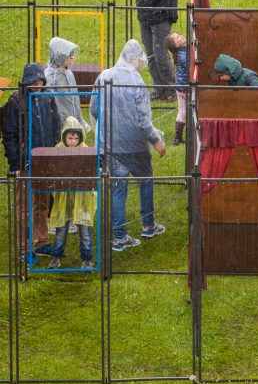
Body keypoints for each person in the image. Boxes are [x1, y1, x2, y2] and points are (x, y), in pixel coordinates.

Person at [90, 40, 166, 252]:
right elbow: (143, 120)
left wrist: (106, 128)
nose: (142, 63)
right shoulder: (137, 81)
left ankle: (120, 236)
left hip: (111, 144)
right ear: (133, 59)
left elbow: (94, 109)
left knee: (117, 189)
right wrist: (156, 141)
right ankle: (149, 225)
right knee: (146, 181)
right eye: (141, 59)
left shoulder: (104, 76)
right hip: (136, 146)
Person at [2, 62, 59, 264]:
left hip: (45, 161)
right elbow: (9, 136)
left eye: (40, 79)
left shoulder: (47, 98)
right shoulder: (15, 102)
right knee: (23, 207)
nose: (37, 83)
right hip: (25, 163)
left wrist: (52, 152)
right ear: (26, 81)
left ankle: (41, 242)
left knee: (42, 203)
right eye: (34, 80)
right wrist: (15, 165)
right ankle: (24, 248)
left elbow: (55, 125)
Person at [48, 116, 97, 270]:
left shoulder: (85, 150)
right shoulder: (58, 149)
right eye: (70, 138)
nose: (73, 141)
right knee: (61, 230)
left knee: (84, 230)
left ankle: (87, 259)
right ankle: (56, 257)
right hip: (64, 197)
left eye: (76, 138)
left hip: (81, 198)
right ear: (64, 136)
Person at [44, 37, 91, 133]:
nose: (72, 58)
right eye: (70, 55)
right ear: (61, 56)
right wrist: (62, 123)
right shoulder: (50, 76)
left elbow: (74, 100)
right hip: (60, 124)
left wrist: (78, 120)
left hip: (73, 121)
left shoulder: (68, 72)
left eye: (73, 54)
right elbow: (54, 103)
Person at [165, 32, 188, 145]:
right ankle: (179, 138)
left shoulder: (182, 51)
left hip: (180, 86)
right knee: (185, 110)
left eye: (178, 34)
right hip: (185, 87)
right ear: (176, 46)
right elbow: (190, 63)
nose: (181, 36)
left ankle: (177, 138)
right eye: (177, 37)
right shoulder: (183, 55)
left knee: (182, 111)